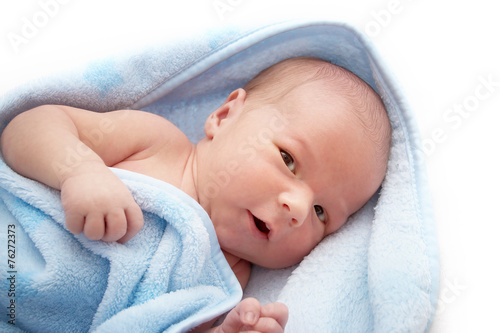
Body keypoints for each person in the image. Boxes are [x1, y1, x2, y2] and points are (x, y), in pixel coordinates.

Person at [0, 57, 391, 332]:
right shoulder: (155, 144)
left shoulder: (228, 281)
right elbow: (29, 127)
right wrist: (79, 171)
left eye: (322, 214)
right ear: (223, 117)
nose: (299, 208)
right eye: (288, 160)